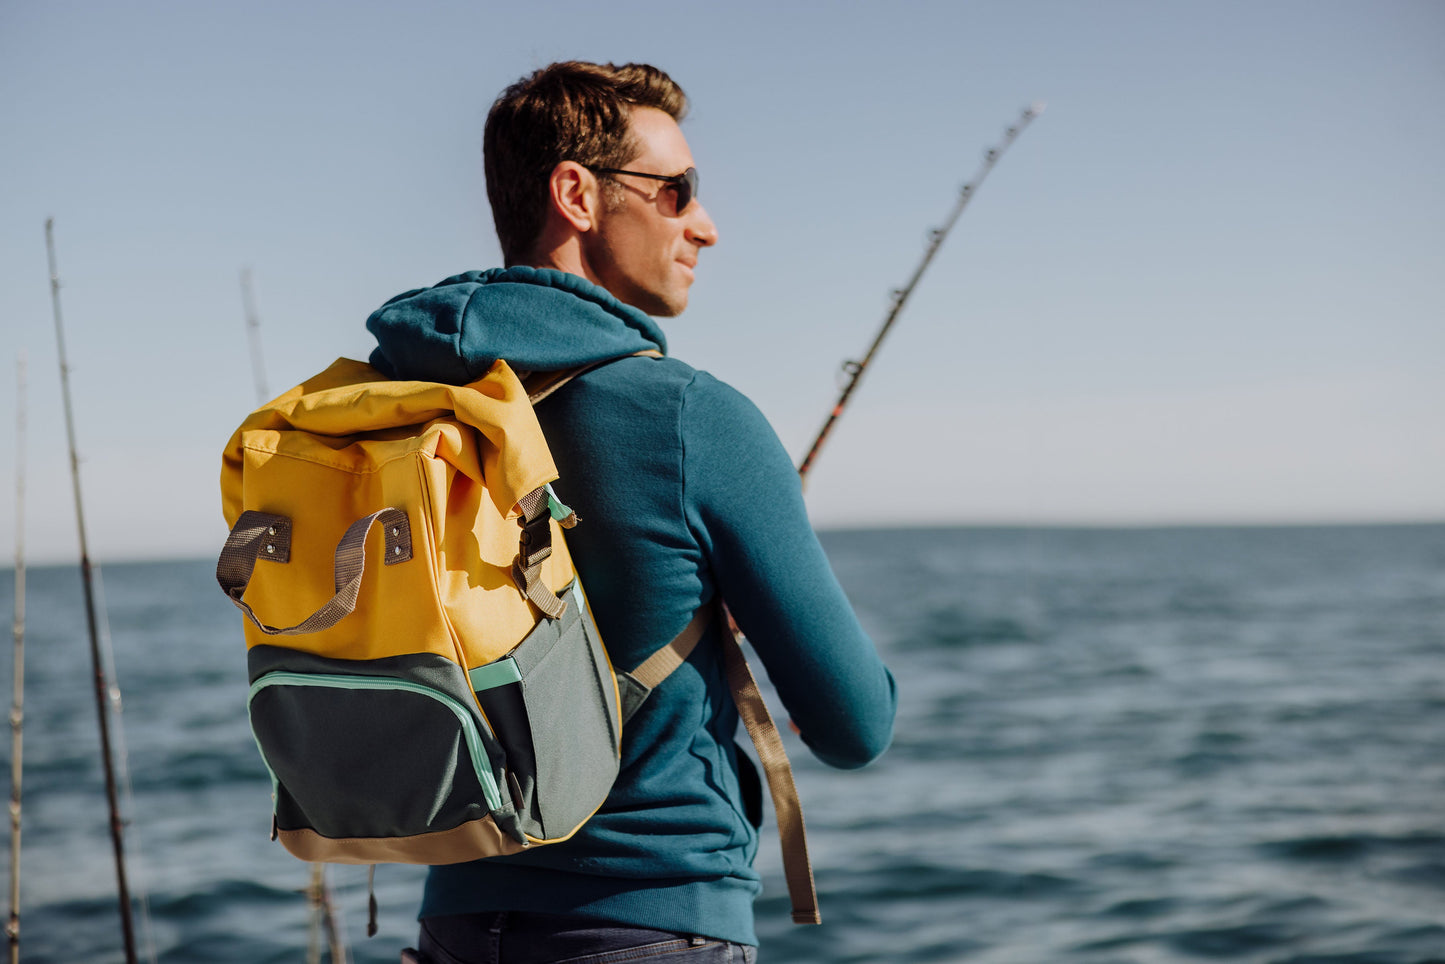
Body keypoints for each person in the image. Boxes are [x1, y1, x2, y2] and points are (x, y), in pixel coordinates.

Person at [367, 61, 897, 964]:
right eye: (675, 190)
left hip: (452, 926)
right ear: (576, 193)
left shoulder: (406, 406)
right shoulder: (692, 419)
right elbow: (855, 726)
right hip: (648, 922)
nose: (705, 226)